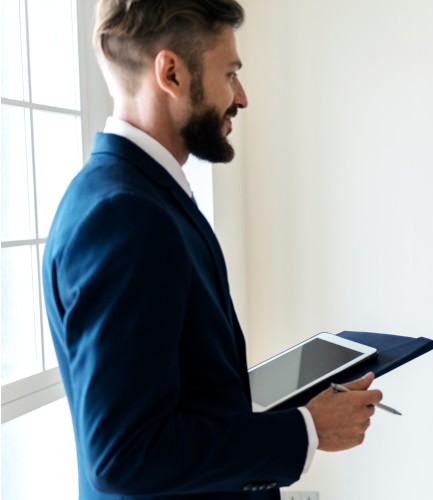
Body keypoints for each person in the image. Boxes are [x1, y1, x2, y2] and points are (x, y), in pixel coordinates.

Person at [42, 1, 383, 498]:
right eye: (230, 73)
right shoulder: (125, 214)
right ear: (172, 73)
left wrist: (282, 410)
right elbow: (122, 454)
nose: (241, 97)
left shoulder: (132, 194)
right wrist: (307, 430)